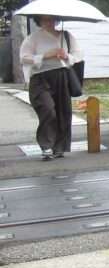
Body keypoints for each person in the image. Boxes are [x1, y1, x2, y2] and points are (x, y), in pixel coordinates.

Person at [19, 15, 82, 160]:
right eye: (44, 20)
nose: (48, 22)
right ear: (39, 21)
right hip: (40, 78)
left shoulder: (66, 36)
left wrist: (66, 56)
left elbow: (78, 54)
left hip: (61, 76)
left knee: (63, 112)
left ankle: (59, 147)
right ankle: (46, 146)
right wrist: (44, 56)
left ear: (56, 20)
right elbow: (24, 58)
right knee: (47, 110)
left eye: (51, 19)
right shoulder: (32, 38)